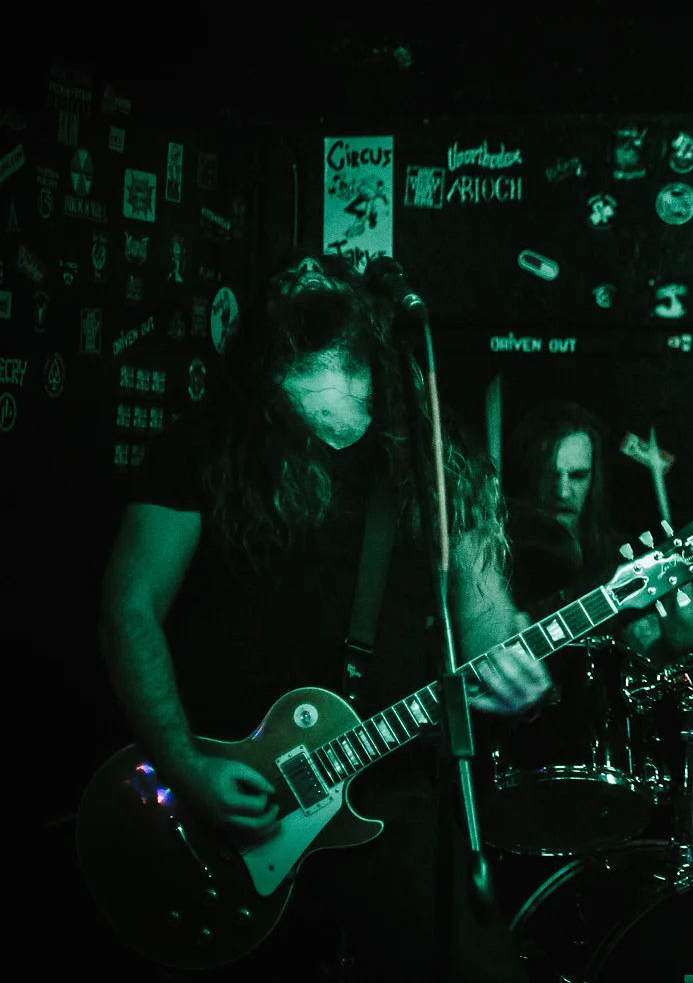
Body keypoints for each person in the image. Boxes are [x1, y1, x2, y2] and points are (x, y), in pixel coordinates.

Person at [97, 254, 550, 981]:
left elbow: (487, 626)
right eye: (292, 398)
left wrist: (513, 670)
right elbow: (128, 608)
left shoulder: (435, 456)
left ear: (372, 363)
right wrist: (185, 766)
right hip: (223, 792)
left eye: (332, 398)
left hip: (383, 788)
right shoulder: (204, 446)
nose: (314, 425)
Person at [504, 400, 693, 666]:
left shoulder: (624, 560)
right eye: (550, 474)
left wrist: (678, 631)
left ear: (594, 480)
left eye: (578, 476)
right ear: (531, 474)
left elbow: (651, 651)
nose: (562, 491)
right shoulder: (499, 560)